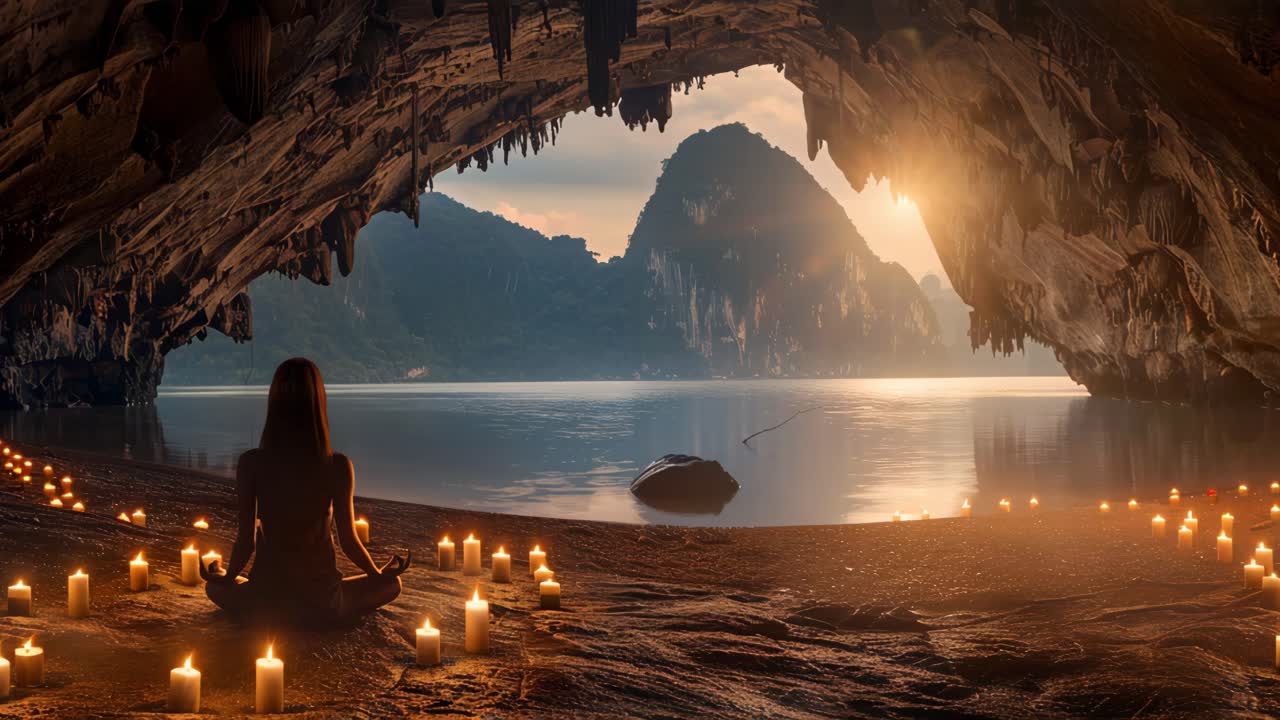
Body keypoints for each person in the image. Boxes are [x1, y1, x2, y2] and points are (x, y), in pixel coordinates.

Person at [202, 358, 410, 625]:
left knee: (213, 585)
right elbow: (348, 540)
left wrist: (229, 577)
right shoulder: (337, 465)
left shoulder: (251, 463)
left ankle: (258, 601)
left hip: (266, 600)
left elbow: (246, 540)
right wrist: (376, 573)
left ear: (273, 402)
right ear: (318, 402)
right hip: (321, 602)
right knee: (393, 586)